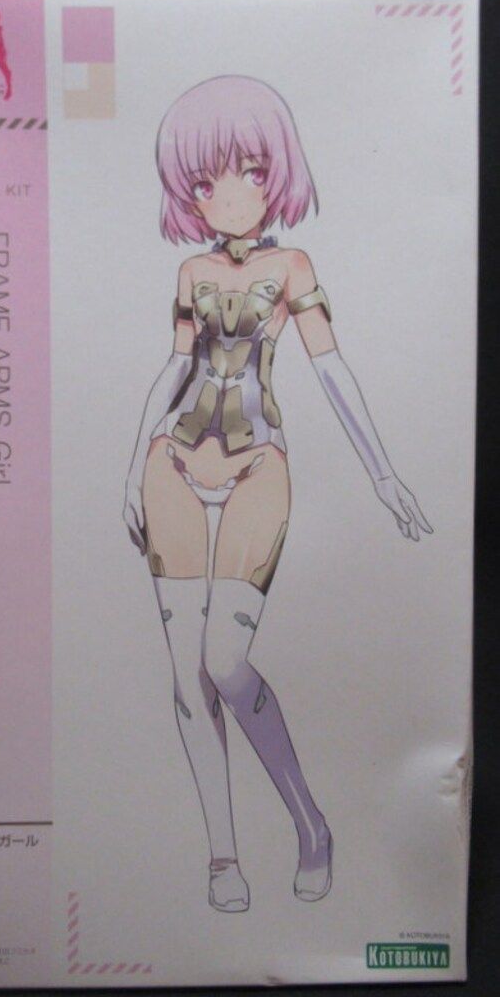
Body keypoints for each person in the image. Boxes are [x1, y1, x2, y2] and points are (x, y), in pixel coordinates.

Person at [123, 75, 432, 913]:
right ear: (186, 190)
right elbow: (175, 367)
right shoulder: (189, 270)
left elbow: (330, 367)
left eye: (251, 170)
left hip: (258, 464)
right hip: (170, 466)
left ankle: (309, 823)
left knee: (224, 662)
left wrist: (380, 471)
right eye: (205, 179)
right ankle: (222, 858)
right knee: (186, 677)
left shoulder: (292, 265)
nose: (229, 194)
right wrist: (128, 465)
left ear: (277, 172)